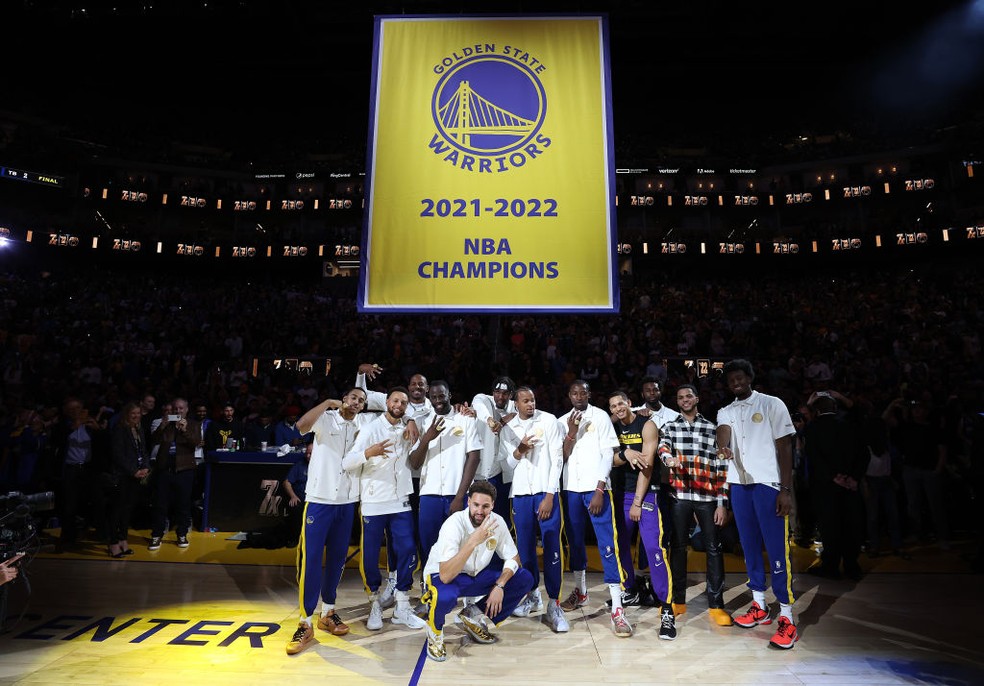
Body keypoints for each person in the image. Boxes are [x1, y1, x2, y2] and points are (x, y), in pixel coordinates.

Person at [715, 359, 798, 650]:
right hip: (739, 485)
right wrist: (722, 446)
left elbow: (785, 446)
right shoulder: (725, 411)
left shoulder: (772, 404)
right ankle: (759, 605)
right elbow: (722, 432)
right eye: (731, 380)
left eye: (740, 378)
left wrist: (785, 489)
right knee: (749, 547)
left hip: (768, 484)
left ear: (750, 378)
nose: (736, 383)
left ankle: (787, 616)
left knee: (776, 550)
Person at [285, 388, 371, 656]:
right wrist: (326, 402)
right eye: (353, 398)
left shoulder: (364, 425)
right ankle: (305, 622)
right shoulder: (326, 417)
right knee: (310, 560)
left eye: (362, 401)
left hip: (347, 502)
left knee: (336, 559)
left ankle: (328, 613)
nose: (357, 403)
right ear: (343, 399)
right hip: (319, 501)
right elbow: (300, 427)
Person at [421, 480, 535, 662]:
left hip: (475, 575)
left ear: (493, 506)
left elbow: (514, 558)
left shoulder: (497, 522)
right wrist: (473, 541)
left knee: (524, 578)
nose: (480, 511)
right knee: (444, 597)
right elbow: (446, 574)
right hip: (444, 575)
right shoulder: (453, 524)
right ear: (468, 502)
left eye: (485, 506)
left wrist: (500, 585)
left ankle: (471, 614)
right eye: (476, 505)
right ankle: (435, 633)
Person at [343, 387, 426, 632]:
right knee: (370, 556)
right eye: (395, 400)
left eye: (404, 402)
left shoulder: (407, 429)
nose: (399, 405)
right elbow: (347, 463)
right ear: (387, 402)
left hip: (400, 499)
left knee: (408, 550)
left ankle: (401, 605)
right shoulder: (370, 428)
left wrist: (411, 422)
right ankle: (375, 603)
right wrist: (369, 453)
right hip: (373, 501)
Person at [556, 380, 631, 637]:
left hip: (597, 490)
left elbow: (608, 455)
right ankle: (581, 592)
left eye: (583, 392)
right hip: (571, 490)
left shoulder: (600, 417)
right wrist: (571, 432)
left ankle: (618, 609)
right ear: (569, 395)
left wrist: (599, 489)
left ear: (589, 394)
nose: (578, 396)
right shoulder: (562, 420)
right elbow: (562, 456)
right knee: (575, 543)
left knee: (607, 545)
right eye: (574, 392)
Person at [355, 364, 429, 610]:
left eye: (422, 385)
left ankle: (408, 589)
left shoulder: (429, 408)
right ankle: (391, 584)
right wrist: (361, 373)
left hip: (416, 481)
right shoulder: (382, 417)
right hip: (386, 486)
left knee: (410, 541)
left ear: (426, 390)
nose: (418, 387)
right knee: (388, 541)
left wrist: (409, 419)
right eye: (414, 384)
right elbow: (361, 396)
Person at [658, 384, 733, 626]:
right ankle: (678, 601)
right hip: (680, 496)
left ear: (697, 399)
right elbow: (663, 446)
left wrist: (722, 503)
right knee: (678, 548)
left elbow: (721, 468)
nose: (685, 400)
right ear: (677, 402)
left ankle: (716, 604)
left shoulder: (712, 429)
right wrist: (667, 457)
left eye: (689, 395)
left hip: (708, 498)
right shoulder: (670, 426)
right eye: (680, 397)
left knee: (713, 549)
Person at [608, 390, 677, 640]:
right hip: (620, 493)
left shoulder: (646, 425)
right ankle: (631, 590)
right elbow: (610, 459)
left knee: (654, 549)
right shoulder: (613, 428)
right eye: (613, 406)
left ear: (629, 403)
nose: (618, 408)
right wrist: (624, 454)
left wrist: (637, 501)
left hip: (646, 494)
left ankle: (666, 608)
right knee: (620, 545)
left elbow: (647, 466)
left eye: (621, 403)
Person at [499, 386, 568, 633]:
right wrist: (520, 450)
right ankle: (532, 595)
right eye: (525, 401)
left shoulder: (548, 421)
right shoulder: (508, 430)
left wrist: (550, 494)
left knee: (551, 547)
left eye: (533, 400)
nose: (531, 404)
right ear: (515, 404)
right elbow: (507, 465)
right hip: (519, 495)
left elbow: (556, 459)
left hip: (544, 493)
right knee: (524, 549)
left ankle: (555, 603)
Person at [409, 380, 481, 568]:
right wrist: (427, 438)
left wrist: (459, 497)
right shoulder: (423, 422)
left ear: (449, 395)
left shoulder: (465, 419)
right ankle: (429, 586)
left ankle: (461, 589)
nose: (438, 400)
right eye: (433, 397)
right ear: (429, 398)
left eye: (441, 396)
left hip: (456, 494)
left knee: (460, 544)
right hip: (429, 495)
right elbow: (415, 463)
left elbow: (474, 458)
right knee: (428, 544)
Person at [802, 392, 868, 580]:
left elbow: (814, 457)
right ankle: (851, 565)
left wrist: (832, 477)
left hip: (825, 487)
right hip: (850, 485)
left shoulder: (813, 428)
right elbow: (864, 454)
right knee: (851, 525)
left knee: (830, 526)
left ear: (817, 410)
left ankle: (830, 566)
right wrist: (854, 477)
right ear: (835, 408)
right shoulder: (851, 426)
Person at [882, 395, 949, 549]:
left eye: (920, 409)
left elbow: (942, 450)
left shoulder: (934, 427)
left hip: (929, 470)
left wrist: (938, 469)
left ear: (926, 411)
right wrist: (893, 404)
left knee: (936, 505)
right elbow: (885, 419)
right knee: (913, 505)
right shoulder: (907, 426)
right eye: (914, 409)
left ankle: (942, 536)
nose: (916, 412)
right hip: (911, 470)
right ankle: (916, 534)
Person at [149, 397, 201, 550]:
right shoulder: (164, 422)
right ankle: (156, 535)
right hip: (164, 468)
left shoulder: (193, 424)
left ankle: (182, 533)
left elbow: (196, 443)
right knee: (160, 504)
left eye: (181, 408)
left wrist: (184, 431)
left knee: (183, 504)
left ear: (186, 409)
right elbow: (153, 439)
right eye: (175, 408)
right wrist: (163, 426)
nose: (178, 411)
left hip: (184, 469)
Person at [107, 402, 151, 558]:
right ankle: (113, 542)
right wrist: (133, 471)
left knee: (127, 510)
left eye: (138, 413)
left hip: (136, 476)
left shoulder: (139, 429)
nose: (136, 416)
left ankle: (123, 540)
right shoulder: (119, 430)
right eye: (133, 413)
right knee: (117, 510)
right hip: (122, 476)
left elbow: (144, 450)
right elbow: (118, 456)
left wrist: (145, 467)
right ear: (126, 414)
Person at [470, 376, 517, 519]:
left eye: (505, 393)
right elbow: (478, 405)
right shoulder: (484, 400)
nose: (500, 397)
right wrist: (492, 420)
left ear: (511, 395)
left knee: (503, 517)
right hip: (483, 472)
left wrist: (513, 416)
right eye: (497, 392)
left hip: (505, 473)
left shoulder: (515, 407)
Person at [282, 442, 311, 548]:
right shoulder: (300, 465)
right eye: (307, 453)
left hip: (316, 501)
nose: (308, 456)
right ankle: (295, 538)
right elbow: (286, 482)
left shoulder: (323, 466)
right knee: (295, 508)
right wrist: (293, 496)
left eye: (311, 453)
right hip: (300, 499)